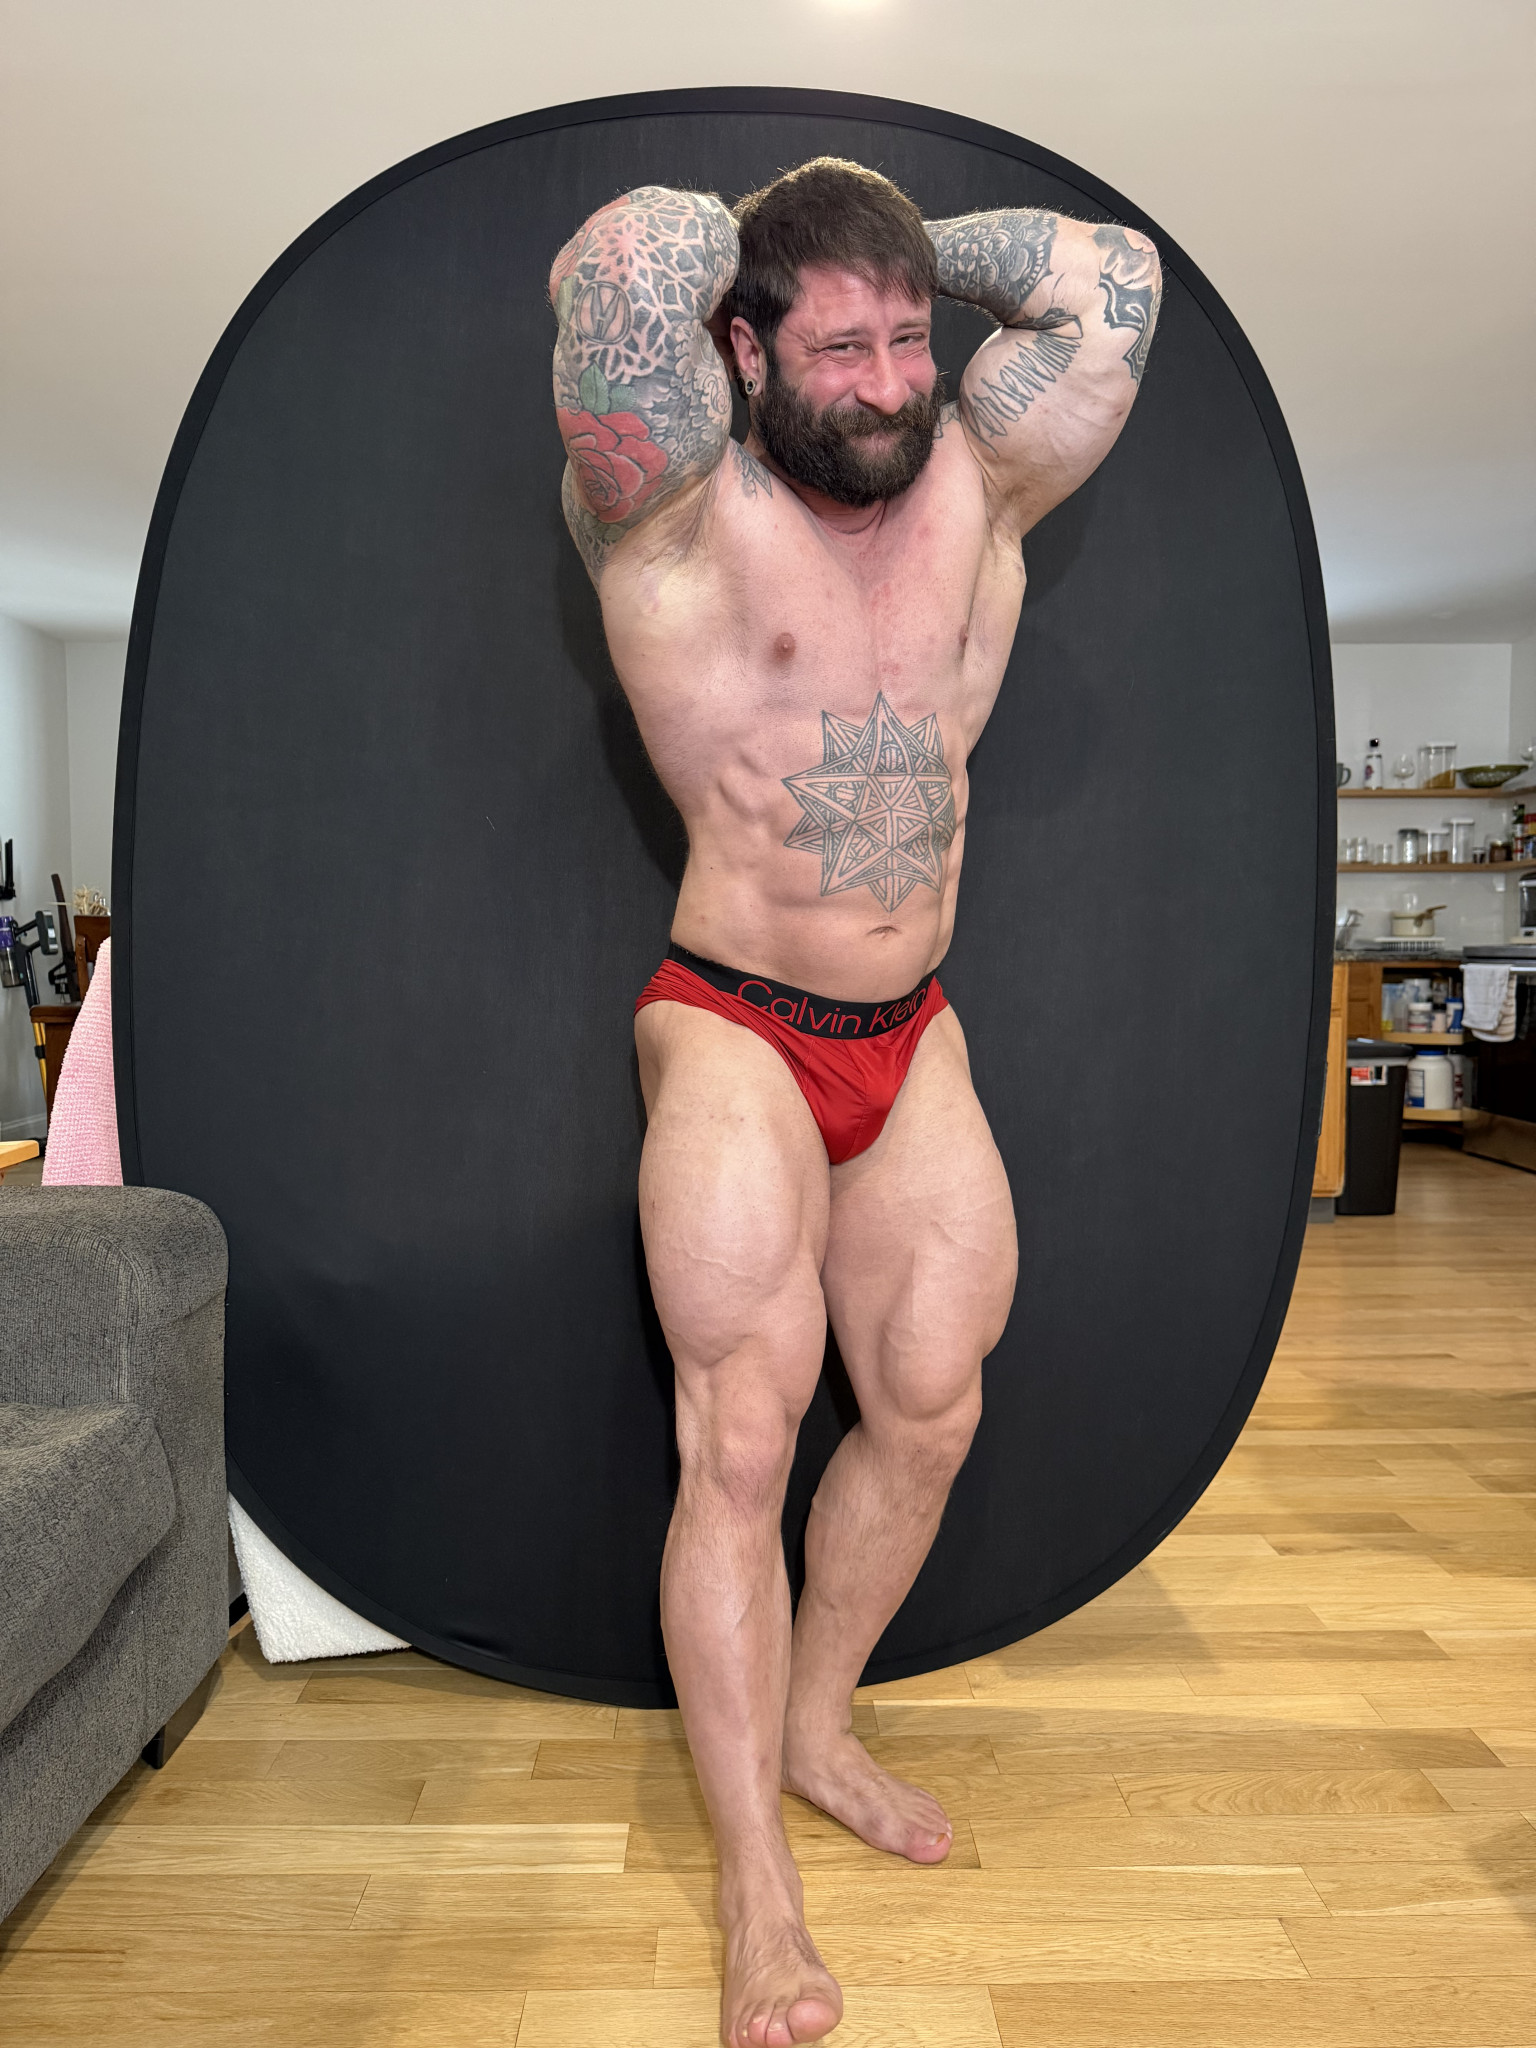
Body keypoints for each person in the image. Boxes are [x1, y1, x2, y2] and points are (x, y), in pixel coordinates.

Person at [549, 158, 1160, 2048]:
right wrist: (774, 235)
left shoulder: (982, 475)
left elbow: (1117, 282)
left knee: (933, 1399)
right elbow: (626, 254)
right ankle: (756, 1890)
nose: (894, 382)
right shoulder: (670, 511)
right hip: (734, 1019)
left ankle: (817, 1727)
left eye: (913, 339)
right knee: (740, 1443)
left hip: (914, 1028)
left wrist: (904, 249)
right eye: (843, 348)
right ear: (745, 351)